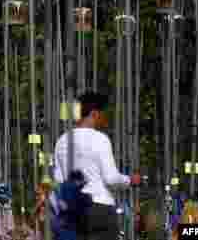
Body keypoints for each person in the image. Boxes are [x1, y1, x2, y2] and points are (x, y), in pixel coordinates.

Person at [52, 91, 140, 240]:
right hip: (99, 210)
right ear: (94, 114)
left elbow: (58, 181)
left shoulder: (61, 141)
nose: (104, 119)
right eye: (102, 114)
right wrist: (130, 180)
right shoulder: (100, 139)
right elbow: (111, 179)